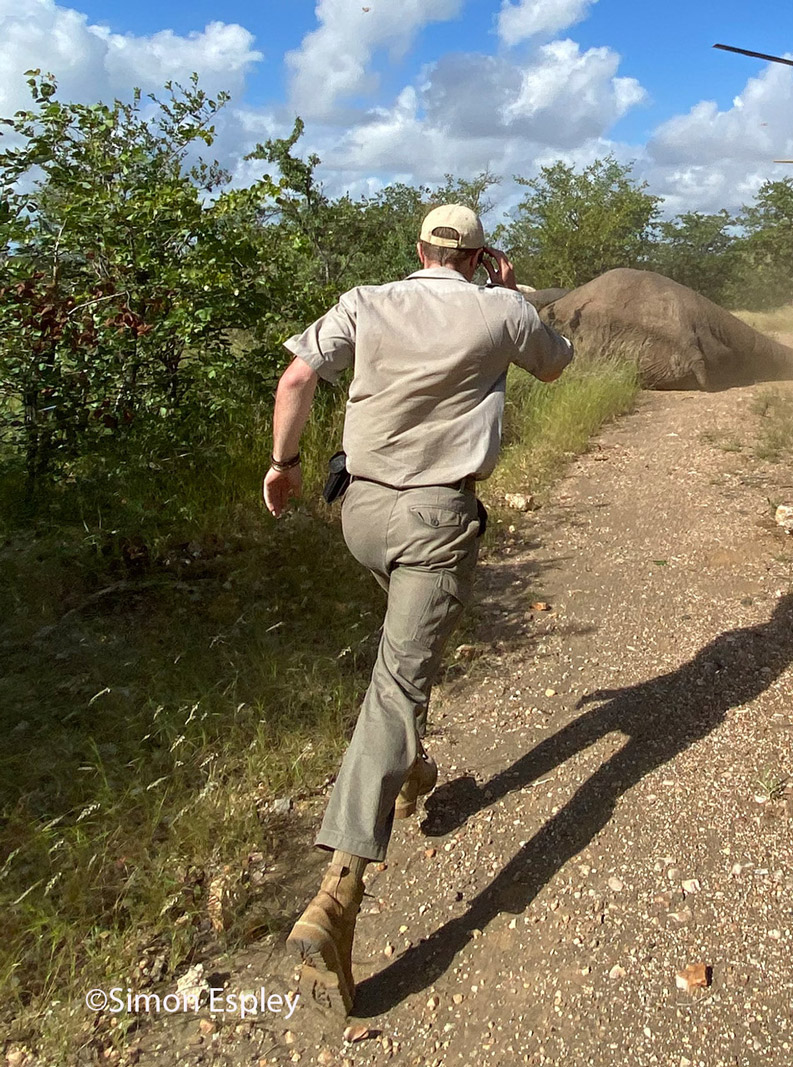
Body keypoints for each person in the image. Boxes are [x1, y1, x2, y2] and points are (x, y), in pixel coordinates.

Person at [261, 204, 573, 1017]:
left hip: (359, 514)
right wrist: (513, 294)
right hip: (436, 520)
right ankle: (336, 895)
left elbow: (297, 375)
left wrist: (282, 464)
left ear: (419, 250)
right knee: (398, 684)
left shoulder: (367, 298)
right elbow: (557, 364)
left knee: (407, 657)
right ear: (477, 255)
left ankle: (415, 770)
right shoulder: (502, 307)